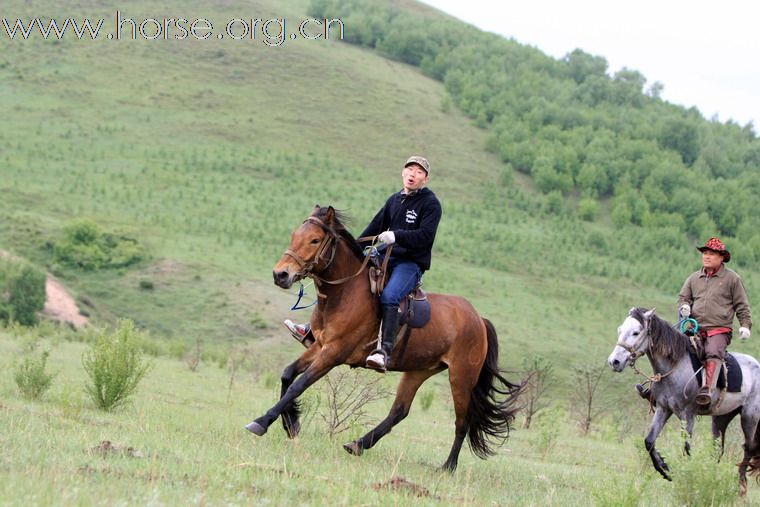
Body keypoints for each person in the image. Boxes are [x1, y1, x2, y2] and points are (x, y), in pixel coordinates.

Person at [284, 156, 442, 371]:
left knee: (390, 296)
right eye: (410, 169)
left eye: (419, 172)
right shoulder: (394, 200)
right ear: (403, 173)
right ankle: (312, 331)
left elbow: (426, 235)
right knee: (348, 285)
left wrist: (397, 236)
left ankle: (383, 351)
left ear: (426, 178)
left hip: (409, 263)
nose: (413, 174)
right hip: (385, 257)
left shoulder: (430, 204)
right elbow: (375, 227)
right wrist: (353, 250)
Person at [676, 237, 751, 407]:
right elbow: (683, 297)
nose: (706, 256)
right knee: (673, 347)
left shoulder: (732, 279)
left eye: (711, 254)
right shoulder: (694, 278)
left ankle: (706, 390)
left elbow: (742, 305)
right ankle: (659, 388)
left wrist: (745, 326)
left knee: (712, 351)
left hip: (719, 330)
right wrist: (685, 307)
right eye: (705, 253)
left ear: (722, 257)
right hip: (694, 329)